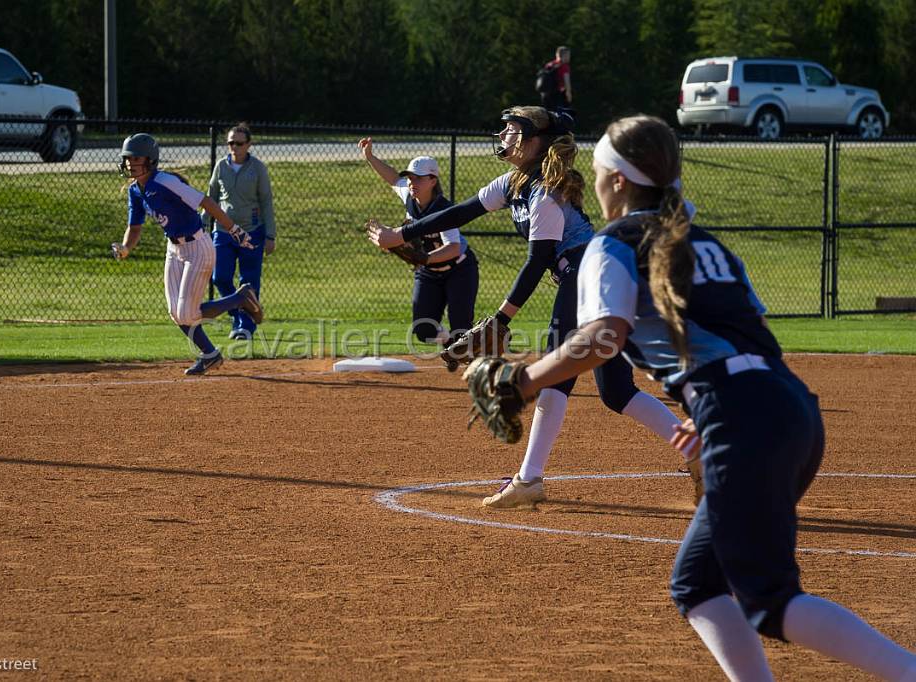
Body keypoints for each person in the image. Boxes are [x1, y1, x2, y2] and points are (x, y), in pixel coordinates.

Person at [467, 114, 916, 680]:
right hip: (788, 406)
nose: (598, 184)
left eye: (603, 173)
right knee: (699, 586)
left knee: (767, 600)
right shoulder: (708, 244)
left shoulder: (614, 243)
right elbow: (750, 341)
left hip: (744, 415)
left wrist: (523, 381)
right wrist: (714, 417)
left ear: (621, 182)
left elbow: (603, 337)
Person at [368, 106, 684, 509]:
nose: (503, 134)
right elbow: (462, 211)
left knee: (558, 372)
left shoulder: (545, 192)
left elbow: (539, 260)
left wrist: (501, 318)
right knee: (617, 391)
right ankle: (698, 453)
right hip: (590, 276)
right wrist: (403, 233)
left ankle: (529, 478)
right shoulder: (516, 181)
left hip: (588, 275)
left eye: (511, 129)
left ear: (533, 140)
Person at [112, 133, 264, 375]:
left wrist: (234, 230)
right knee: (176, 313)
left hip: (197, 247)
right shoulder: (136, 190)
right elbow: (135, 226)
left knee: (187, 313)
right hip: (173, 249)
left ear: (150, 160)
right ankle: (210, 355)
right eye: (127, 159)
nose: (130, 164)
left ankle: (241, 297)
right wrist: (126, 247)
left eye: (136, 158)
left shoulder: (164, 181)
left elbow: (206, 202)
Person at [358, 138, 479, 345]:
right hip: (429, 272)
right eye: (411, 178)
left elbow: (454, 248)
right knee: (424, 330)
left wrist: (423, 258)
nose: (413, 183)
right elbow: (393, 178)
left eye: (419, 179)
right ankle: (450, 343)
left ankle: (474, 343)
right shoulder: (409, 195)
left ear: (433, 180)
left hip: (459, 270)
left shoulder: (444, 211)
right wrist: (370, 157)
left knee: (461, 328)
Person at [208, 123, 276, 341]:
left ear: (248, 144)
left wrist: (270, 235)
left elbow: (266, 202)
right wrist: (201, 225)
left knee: (249, 280)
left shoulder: (257, 168)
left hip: (252, 232)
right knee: (220, 277)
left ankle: (245, 327)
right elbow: (211, 198)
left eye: (239, 143)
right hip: (224, 231)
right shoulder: (221, 166)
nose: (234, 147)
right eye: (230, 143)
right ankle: (237, 315)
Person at [538, 46, 572, 112]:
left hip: (545, 94)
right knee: (560, 115)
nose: (569, 57)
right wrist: (569, 94)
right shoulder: (564, 66)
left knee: (548, 114)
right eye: (568, 55)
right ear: (564, 55)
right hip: (557, 94)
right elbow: (567, 81)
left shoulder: (549, 64)